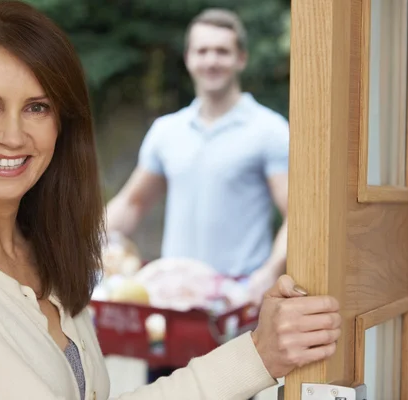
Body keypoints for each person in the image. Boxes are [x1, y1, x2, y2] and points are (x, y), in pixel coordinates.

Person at [0, 2, 341, 399]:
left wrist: (260, 328)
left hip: (228, 299)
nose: (11, 135)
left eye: (37, 107)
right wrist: (254, 356)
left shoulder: (44, 254)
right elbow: (131, 204)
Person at [106, 9, 289, 307]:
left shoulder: (270, 131)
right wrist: (82, 245)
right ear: (189, 58)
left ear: (241, 58)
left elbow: (297, 215)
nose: (211, 60)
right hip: (172, 298)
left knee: (237, 358)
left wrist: (270, 273)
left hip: (239, 301)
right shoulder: (166, 131)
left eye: (222, 51)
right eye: (202, 51)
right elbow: (132, 203)